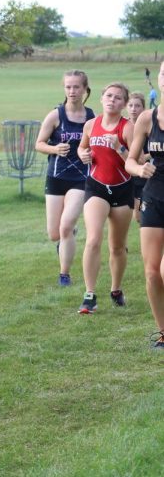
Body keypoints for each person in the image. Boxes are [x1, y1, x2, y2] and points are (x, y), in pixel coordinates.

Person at [76, 82, 133, 313]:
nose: (112, 100)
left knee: (117, 247)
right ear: (101, 99)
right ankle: (89, 295)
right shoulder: (91, 124)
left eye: (118, 98)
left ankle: (116, 289)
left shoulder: (127, 127)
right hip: (96, 187)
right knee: (93, 239)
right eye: (109, 96)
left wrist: (119, 147)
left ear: (124, 104)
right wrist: (83, 154)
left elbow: (134, 162)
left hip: (122, 189)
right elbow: (82, 148)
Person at [35, 70, 94, 287]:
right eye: (68, 87)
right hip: (56, 177)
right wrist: (54, 148)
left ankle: (64, 275)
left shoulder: (91, 117)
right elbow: (39, 144)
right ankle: (65, 236)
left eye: (76, 87)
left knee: (66, 226)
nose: (72, 91)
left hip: (81, 178)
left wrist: (90, 153)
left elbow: (97, 146)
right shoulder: (56, 115)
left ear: (85, 89)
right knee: (54, 234)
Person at [126, 61, 164, 349]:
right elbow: (130, 159)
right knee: (151, 273)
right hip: (154, 196)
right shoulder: (148, 119)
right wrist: (140, 170)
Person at [127, 92, 148, 224]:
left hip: (142, 178)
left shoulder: (148, 126)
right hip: (124, 177)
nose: (133, 109)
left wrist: (145, 157)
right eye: (130, 105)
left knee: (139, 215)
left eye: (137, 106)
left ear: (143, 108)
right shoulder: (123, 125)